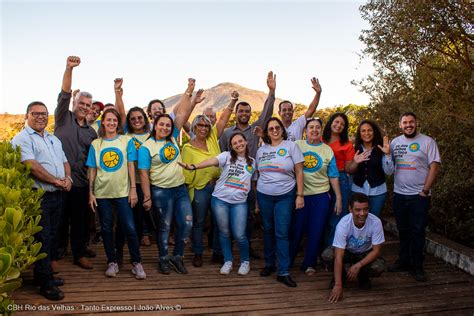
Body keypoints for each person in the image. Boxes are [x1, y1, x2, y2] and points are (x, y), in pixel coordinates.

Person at [11, 101, 72, 300]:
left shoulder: (53, 138)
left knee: (52, 236)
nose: (40, 117)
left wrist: (68, 179)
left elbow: (64, 162)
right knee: (42, 239)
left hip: (58, 194)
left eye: (44, 114)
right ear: (27, 115)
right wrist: (56, 180)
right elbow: (32, 166)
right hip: (39, 196)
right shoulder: (22, 139)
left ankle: (42, 276)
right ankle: (46, 284)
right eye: (35, 113)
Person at [138, 79, 198, 274]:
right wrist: (147, 197)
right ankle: (163, 258)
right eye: (161, 124)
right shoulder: (147, 147)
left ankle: (177, 256)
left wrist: (188, 91)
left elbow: (181, 112)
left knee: (186, 222)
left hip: (180, 189)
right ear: (155, 125)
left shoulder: (172, 137)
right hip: (160, 192)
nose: (164, 127)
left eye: (167, 125)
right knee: (163, 228)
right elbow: (144, 174)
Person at [219, 71, 276, 259]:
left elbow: (267, 112)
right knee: (226, 216)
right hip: (230, 181)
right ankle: (221, 250)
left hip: (250, 182)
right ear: (236, 113)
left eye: (247, 111)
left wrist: (271, 91)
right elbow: (222, 155)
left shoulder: (257, 129)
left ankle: (247, 248)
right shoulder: (227, 134)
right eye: (241, 111)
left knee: (249, 216)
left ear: (250, 114)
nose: (244, 113)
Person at [180, 132, 256, 275]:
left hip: (240, 203)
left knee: (240, 234)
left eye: (240, 141)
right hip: (220, 200)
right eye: (235, 143)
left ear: (245, 142)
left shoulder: (252, 161)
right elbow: (210, 161)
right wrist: (193, 166)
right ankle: (228, 261)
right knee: (224, 232)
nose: (238, 144)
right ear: (231, 147)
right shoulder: (226, 156)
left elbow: (253, 183)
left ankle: (245, 262)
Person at [86, 108, 146, 279]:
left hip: (123, 192)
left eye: (115, 120)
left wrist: (133, 190)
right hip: (102, 193)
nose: (112, 123)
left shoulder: (127, 141)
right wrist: (90, 193)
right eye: (108, 120)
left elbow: (130, 166)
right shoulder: (96, 144)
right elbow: (92, 170)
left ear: (118, 124)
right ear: (103, 122)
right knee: (106, 228)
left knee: (130, 227)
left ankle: (136, 262)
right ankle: (112, 262)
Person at [181, 91, 238, 268]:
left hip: (218, 187)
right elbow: (185, 174)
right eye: (201, 126)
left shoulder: (213, 137)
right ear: (194, 128)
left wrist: (232, 101)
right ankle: (198, 253)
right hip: (199, 189)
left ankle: (218, 253)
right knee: (198, 222)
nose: (204, 129)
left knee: (220, 221)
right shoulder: (187, 148)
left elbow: (222, 120)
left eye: (206, 126)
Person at [54, 56, 96, 270]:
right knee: (59, 220)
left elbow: (94, 162)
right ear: (74, 103)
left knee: (79, 221)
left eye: (88, 105)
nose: (85, 107)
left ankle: (79, 254)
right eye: (81, 103)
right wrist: (69, 68)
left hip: (80, 182)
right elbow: (64, 93)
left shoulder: (92, 132)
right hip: (59, 181)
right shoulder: (63, 117)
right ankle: (57, 252)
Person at [388, 112, 441, 282]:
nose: (408, 125)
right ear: (400, 125)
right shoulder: (395, 142)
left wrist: (425, 191)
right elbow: (390, 167)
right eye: (405, 122)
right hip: (399, 194)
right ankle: (404, 261)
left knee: (418, 231)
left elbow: (434, 167)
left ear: (416, 123)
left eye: (411, 122)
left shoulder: (428, 142)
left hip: (419, 196)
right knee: (403, 230)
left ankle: (417, 266)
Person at [256, 117, 304, 288]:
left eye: (277, 127)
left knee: (282, 232)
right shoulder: (261, 150)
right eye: (271, 129)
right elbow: (258, 175)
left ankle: (283, 272)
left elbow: (299, 171)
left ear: (282, 130)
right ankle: (270, 264)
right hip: (264, 195)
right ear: (267, 132)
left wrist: (300, 195)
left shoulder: (292, 146)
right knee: (268, 230)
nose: (275, 130)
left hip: (285, 195)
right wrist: (256, 200)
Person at [290, 118, 342, 275]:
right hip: (300, 195)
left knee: (316, 230)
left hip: (320, 196)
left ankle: (309, 263)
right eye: (311, 127)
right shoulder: (297, 145)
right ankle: (288, 260)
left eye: (317, 127)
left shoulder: (327, 150)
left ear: (321, 130)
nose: (314, 130)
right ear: (306, 130)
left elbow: (333, 175)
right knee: (296, 229)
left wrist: (338, 197)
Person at [325, 193, 386, 303]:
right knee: (328, 255)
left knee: (379, 266)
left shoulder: (376, 222)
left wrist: (359, 265)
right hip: (347, 252)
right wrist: (338, 285)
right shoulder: (343, 224)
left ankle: (363, 277)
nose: (362, 214)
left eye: (365, 209)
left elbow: (376, 251)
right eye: (358, 210)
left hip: (365, 253)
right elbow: (338, 257)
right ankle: (341, 277)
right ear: (350, 209)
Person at [347, 120, 394, 217]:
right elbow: (350, 171)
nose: (366, 133)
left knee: (374, 219)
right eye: (363, 131)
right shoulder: (354, 149)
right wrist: (355, 162)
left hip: (378, 192)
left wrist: (388, 154)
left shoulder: (382, 148)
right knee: (357, 219)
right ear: (359, 134)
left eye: (369, 130)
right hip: (357, 190)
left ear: (374, 132)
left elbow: (389, 172)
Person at [322, 112, 355, 247]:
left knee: (337, 216)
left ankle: (332, 250)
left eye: (342, 124)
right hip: (321, 180)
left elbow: (348, 168)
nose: (339, 125)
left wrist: (356, 162)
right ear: (331, 122)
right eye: (336, 122)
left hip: (340, 180)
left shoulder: (346, 145)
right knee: (322, 215)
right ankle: (321, 249)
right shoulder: (321, 140)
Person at [278, 77, 322, 141]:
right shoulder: (275, 128)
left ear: (293, 112)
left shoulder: (298, 124)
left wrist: (318, 93)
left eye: (289, 110)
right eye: (284, 110)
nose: (287, 112)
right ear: (279, 113)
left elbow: (311, 110)